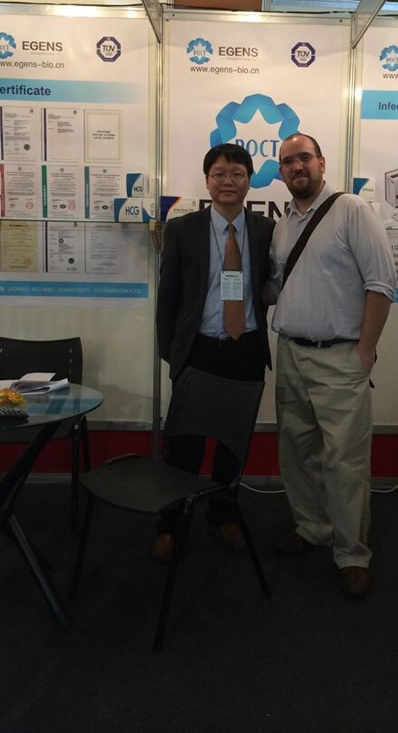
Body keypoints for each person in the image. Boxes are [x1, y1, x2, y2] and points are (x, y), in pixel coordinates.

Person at [268, 132, 396, 597]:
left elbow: (381, 284)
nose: (296, 167)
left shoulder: (352, 211)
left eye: (304, 158)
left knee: (345, 461)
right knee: (297, 452)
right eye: (288, 161)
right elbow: (280, 285)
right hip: (291, 353)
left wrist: (365, 350)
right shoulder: (283, 223)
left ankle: (352, 554)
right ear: (281, 172)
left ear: (321, 162)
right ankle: (312, 528)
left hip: (341, 357)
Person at [155, 143, 274, 563]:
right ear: (207, 181)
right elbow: (168, 297)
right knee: (183, 445)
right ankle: (171, 523)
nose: (228, 181)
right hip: (199, 350)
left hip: (247, 350)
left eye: (237, 174)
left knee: (232, 446)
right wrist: (172, 355)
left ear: (249, 181)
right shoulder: (182, 229)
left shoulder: (266, 231)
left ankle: (222, 515)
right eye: (219, 173)